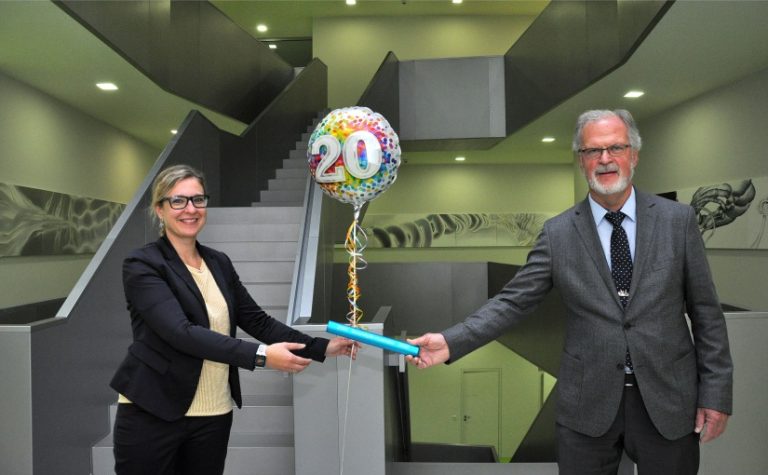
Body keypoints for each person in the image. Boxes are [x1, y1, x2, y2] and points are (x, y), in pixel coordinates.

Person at [407, 110, 733, 474]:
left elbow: (707, 315)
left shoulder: (678, 221)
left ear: (634, 154)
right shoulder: (558, 233)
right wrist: (452, 341)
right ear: (581, 161)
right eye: (593, 151)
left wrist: (716, 395)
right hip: (587, 405)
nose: (605, 159)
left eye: (616, 148)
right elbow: (513, 301)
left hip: (669, 399)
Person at [110, 164, 357, 475]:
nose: (191, 209)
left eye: (198, 200)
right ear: (160, 210)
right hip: (152, 410)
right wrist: (262, 356)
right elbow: (181, 333)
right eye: (178, 201)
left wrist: (321, 347)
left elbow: (258, 321)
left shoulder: (218, 262)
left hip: (213, 413)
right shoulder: (142, 264)